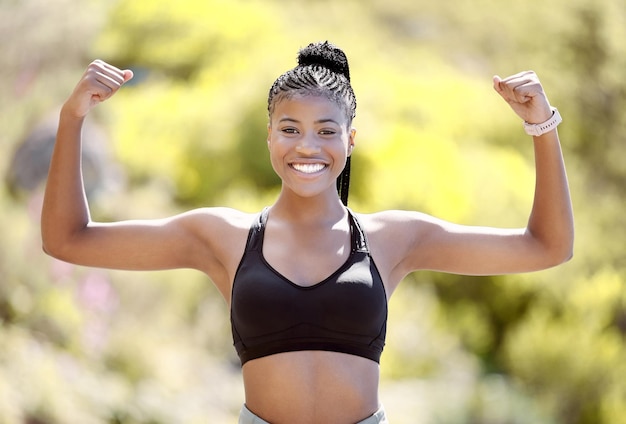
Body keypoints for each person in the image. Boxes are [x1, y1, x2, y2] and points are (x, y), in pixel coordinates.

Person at [41, 41, 574, 424]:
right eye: (290, 129)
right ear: (269, 135)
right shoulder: (222, 237)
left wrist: (542, 126)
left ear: (351, 138)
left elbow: (546, 247)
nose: (307, 147)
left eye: (326, 130)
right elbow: (68, 239)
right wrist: (73, 119)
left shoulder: (393, 239)